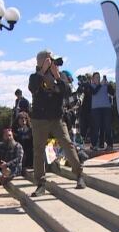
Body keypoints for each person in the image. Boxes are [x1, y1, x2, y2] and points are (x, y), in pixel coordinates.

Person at [28, 50, 86, 197]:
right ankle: (40, 184)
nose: (51, 61)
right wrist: (42, 71)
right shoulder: (35, 76)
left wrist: (58, 76)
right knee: (38, 150)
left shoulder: (58, 76)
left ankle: (79, 175)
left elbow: (66, 92)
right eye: (48, 59)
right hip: (39, 118)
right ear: (40, 61)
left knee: (67, 143)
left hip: (56, 117)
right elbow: (32, 88)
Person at [89, 72, 115, 151]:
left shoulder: (105, 85)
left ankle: (110, 144)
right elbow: (94, 92)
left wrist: (109, 85)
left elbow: (112, 93)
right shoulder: (91, 86)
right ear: (93, 79)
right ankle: (94, 145)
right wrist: (100, 85)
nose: (98, 79)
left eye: (99, 77)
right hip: (96, 109)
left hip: (106, 108)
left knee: (107, 127)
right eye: (96, 77)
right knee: (96, 127)